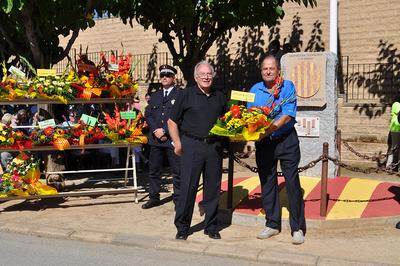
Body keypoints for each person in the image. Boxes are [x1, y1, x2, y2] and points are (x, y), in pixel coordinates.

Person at [247, 55, 305, 245]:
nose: (268, 71)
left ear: (278, 70)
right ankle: (272, 224)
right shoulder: (255, 90)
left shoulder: (287, 86)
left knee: (292, 184)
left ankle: (297, 228)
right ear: (261, 71)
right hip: (264, 144)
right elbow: (250, 117)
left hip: (286, 141)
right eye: (265, 69)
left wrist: (268, 129)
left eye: (272, 68)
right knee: (267, 183)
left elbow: (287, 115)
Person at [168, 61, 227, 240]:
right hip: (191, 145)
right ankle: (182, 227)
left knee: (212, 188)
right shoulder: (185, 94)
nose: (206, 77)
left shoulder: (219, 96)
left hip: (213, 147)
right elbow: (172, 122)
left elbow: (227, 120)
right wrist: (177, 144)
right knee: (187, 188)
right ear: (196, 77)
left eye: (209, 74)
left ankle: (211, 226)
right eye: (202, 74)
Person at [142, 64, 181, 209]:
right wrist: (156, 130)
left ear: (173, 78)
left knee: (177, 171)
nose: (164, 78)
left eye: (168, 75)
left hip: (172, 139)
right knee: (154, 170)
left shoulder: (179, 94)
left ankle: (178, 199)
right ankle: (154, 197)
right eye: (162, 75)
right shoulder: (156, 95)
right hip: (156, 139)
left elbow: (180, 116)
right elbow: (149, 114)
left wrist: (165, 131)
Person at [387, 97, 400, 171]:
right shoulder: (397, 104)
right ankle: (389, 165)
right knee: (394, 148)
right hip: (397, 128)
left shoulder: (395, 104)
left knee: (394, 148)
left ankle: (392, 165)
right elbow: (398, 112)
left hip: (395, 128)